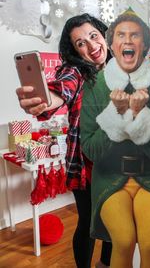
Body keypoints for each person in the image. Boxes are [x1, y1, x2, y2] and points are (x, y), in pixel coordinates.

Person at [80, 8, 150, 268]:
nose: (127, 40)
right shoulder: (94, 87)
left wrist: (139, 117)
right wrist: (116, 114)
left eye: (134, 35)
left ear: (144, 44)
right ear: (111, 44)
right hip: (110, 178)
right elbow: (90, 148)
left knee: (149, 243)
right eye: (120, 35)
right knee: (122, 241)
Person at [16, 14, 112, 268]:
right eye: (81, 43)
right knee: (89, 223)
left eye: (93, 36)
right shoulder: (77, 72)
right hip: (87, 165)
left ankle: (106, 263)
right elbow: (63, 88)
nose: (91, 46)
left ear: (103, 35)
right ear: (75, 51)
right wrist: (47, 100)